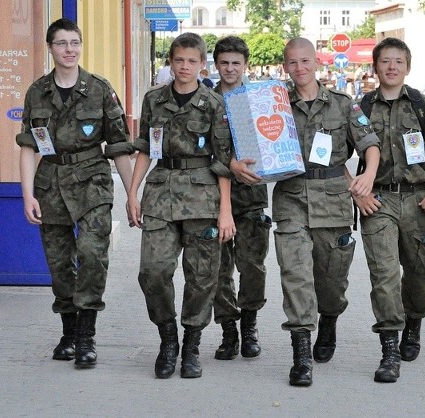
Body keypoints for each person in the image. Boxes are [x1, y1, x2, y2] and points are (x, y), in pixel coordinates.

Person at [16, 18, 134, 369]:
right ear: (51, 48)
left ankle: (86, 336)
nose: (70, 49)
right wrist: (27, 195)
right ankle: (69, 332)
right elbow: (28, 147)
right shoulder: (37, 92)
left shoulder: (99, 89)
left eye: (75, 43)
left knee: (92, 255)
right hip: (50, 183)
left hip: (92, 183)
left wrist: (133, 196)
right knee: (59, 265)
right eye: (62, 43)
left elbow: (119, 146)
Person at [353, 37, 425, 383]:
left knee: (421, 277)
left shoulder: (423, 105)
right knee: (384, 276)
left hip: (420, 202)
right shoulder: (360, 108)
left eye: (398, 62)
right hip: (378, 203)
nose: (391, 67)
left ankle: (414, 321)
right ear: (374, 68)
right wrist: (357, 193)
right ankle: (389, 350)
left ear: (408, 67)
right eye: (385, 61)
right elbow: (331, 157)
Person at [127, 32, 236, 379]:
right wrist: (132, 192)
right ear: (171, 63)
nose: (185, 67)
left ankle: (191, 344)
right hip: (160, 193)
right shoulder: (154, 99)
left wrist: (226, 210)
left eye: (192, 61)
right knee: (153, 271)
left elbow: (223, 160)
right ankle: (168, 338)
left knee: (202, 276)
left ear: (202, 64)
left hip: (204, 197)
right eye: (179, 60)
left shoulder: (213, 103)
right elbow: (146, 147)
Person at [276, 37, 381, 386]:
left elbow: (369, 144)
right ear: (285, 66)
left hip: (333, 203)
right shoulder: (276, 105)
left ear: (316, 62)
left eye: (304, 61)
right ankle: (301, 353)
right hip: (291, 197)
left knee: (331, 282)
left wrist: (367, 176)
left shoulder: (342, 104)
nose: (299, 68)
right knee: (296, 274)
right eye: (292, 63)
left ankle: (330, 319)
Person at [211, 35, 271, 361]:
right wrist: (228, 164)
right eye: (225, 63)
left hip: (251, 197)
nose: (230, 68)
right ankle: (228, 331)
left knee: (252, 267)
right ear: (216, 64)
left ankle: (250, 325)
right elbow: (200, 150)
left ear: (245, 64)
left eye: (236, 63)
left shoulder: (259, 100)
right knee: (218, 270)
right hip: (212, 199)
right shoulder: (205, 100)